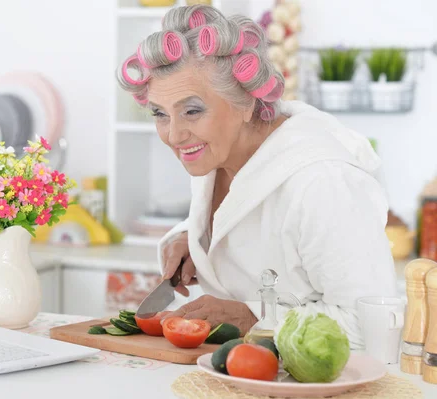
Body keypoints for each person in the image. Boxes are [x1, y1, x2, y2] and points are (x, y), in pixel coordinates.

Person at [116, 5, 397, 349]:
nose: (174, 136)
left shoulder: (323, 182)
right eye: (160, 114)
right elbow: (250, 214)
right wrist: (195, 238)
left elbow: (371, 322)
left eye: (192, 111)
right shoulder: (218, 151)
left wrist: (253, 317)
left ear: (247, 102)